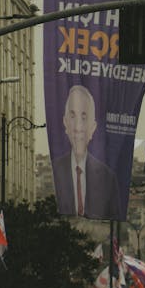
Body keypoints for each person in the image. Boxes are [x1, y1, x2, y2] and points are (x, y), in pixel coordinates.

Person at [52, 84, 121, 220]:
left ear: (93, 127)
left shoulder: (108, 179)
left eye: (84, 118)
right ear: (65, 122)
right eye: (72, 117)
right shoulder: (54, 171)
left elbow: (114, 224)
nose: (78, 127)